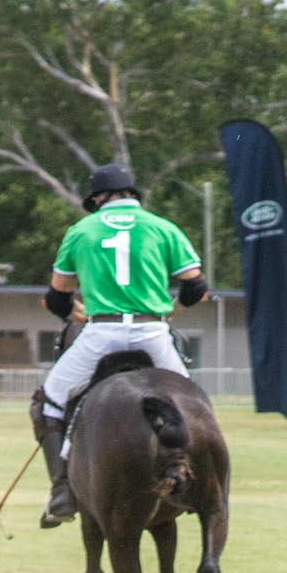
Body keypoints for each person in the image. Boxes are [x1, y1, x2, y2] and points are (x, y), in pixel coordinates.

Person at [34, 163, 207, 525]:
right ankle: (203, 485)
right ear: (132, 194)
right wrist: (169, 311)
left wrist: (77, 314)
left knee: (47, 402)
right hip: (153, 332)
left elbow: (57, 299)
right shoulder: (163, 227)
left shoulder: (81, 230)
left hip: (101, 333)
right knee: (194, 405)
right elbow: (196, 287)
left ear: (97, 198)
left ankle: (62, 490)